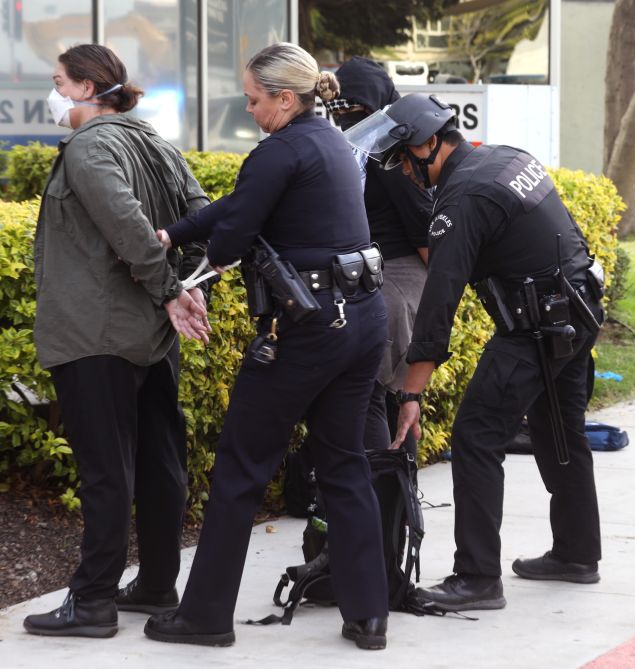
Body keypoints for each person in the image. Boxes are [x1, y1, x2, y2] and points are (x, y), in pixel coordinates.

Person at [142, 43, 390, 650]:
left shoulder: (279, 150)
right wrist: (175, 231)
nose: (249, 109)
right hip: (361, 320)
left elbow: (231, 237)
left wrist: (180, 264)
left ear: (284, 97)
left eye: (254, 99)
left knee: (240, 470)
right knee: (344, 464)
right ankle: (369, 616)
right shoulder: (330, 139)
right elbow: (240, 205)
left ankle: (202, 618)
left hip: (304, 331)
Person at [347, 93, 605, 611]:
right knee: (561, 430)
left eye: (402, 159)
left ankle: (478, 577)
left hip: (534, 330)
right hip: (576, 315)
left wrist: (411, 392)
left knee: (475, 437)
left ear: (428, 145)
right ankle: (577, 554)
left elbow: (439, 302)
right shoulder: (507, 158)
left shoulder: (461, 199)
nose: (402, 171)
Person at [22, 44, 211, 640]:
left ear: (83, 88)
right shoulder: (150, 138)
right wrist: (188, 284)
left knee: (106, 471)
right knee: (160, 461)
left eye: (57, 81)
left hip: (95, 333)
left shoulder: (88, 146)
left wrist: (168, 288)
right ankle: (156, 583)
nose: (52, 93)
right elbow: (204, 212)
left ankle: (94, 602)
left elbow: (126, 221)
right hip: (152, 337)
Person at [329, 56, 432, 457]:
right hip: (364, 279)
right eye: (338, 108)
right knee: (381, 400)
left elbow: (425, 234)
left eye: (355, 108)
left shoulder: (391, 154)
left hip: (393, 284)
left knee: (372, 394)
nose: (345, 117)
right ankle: (388, 504)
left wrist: (438, 298)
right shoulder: (359, 146)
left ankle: (385, 501)